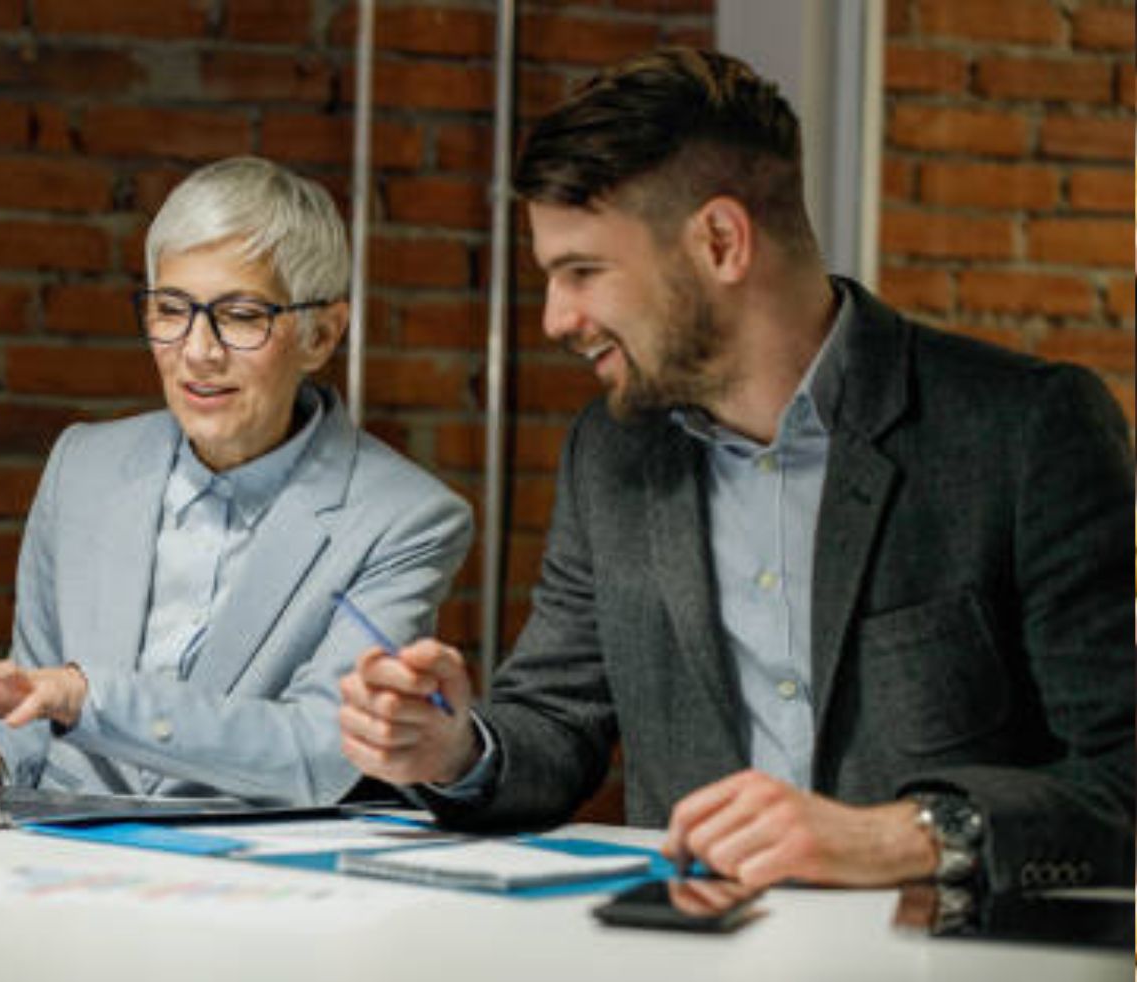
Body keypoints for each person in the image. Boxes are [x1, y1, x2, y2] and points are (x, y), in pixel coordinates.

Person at [337, 48, 1134, 894]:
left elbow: (1124, 773)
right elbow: (555, 720)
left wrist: (901, 837)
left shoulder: (1026, 431)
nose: (556, 319)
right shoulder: (610, 455)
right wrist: (454, 747)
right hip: (695, 976)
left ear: (721, 241)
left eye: (583, 271)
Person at [0, 156, 473, 805]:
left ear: (321, 334)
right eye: (171, 309)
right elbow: (33, 726)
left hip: (261, 881)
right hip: (63, 863)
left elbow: (321, 751)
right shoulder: (81, 467)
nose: (198, 351)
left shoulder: (406, 517)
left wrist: (89, 697)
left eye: (241, 315)